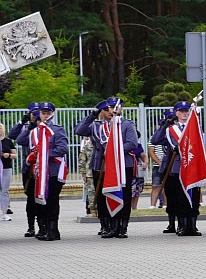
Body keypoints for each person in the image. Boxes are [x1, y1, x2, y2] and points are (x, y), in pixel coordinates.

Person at [75, 98, 143, 238]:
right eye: (108, 108)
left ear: (121, 109)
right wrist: (93, 115)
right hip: (100, 164)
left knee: (123, 196)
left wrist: (114, 151)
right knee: (102, 196)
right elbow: (79, 130)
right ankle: (106, 226)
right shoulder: (97, 126)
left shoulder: (126, 125)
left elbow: (132, 143)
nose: (111, 110)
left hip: (123, 165)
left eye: (114, 107)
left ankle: (121, 226)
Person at [16, 102, 70, 241]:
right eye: (43, 113)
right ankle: (45, 228)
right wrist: (30, 126)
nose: (45, 116)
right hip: (38, 172)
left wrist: (45, 153)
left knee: (52, 200)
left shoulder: (57, 130)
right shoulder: (35, 131)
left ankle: (53, 230)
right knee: (40, 201)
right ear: (39, 114)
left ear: (52, 114)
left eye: (48, 113)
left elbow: (63, 149)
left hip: (52, 171)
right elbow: (19, 140)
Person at [151, 101, 203, 236]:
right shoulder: (171, 130)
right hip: (176, 169)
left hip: (192, 167)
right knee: (179, 198)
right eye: (182, 111)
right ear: (177, 114)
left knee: (193, 197)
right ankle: (182, 225)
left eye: (187, 111)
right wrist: (165, 125)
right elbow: (158, 140)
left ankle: (192, 226)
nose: (185, 113)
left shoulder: (195, 127)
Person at [0, 121, 13, 221]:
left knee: (4, 190)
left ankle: (4, 212)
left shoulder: (8, 141)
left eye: (0, 128)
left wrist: (8, 155)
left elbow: (15, 155)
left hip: (6, 168)